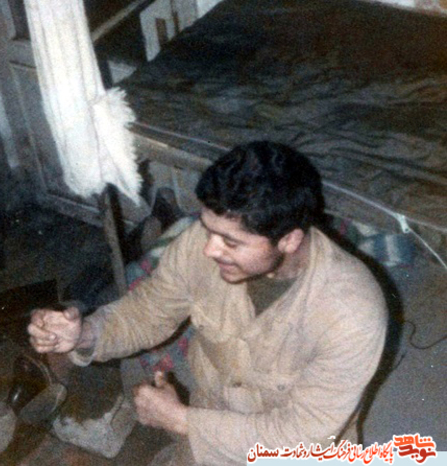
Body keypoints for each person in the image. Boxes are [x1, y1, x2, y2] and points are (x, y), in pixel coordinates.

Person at [28, 141, 388, 465]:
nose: (209, 249)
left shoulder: (352, 312)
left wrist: (182, 420)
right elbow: (147, 313)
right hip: (212, 423)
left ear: (289, 240)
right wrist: (84, 333)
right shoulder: (201, 245)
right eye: (208, 229)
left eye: (231, 242)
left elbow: (305, 436)